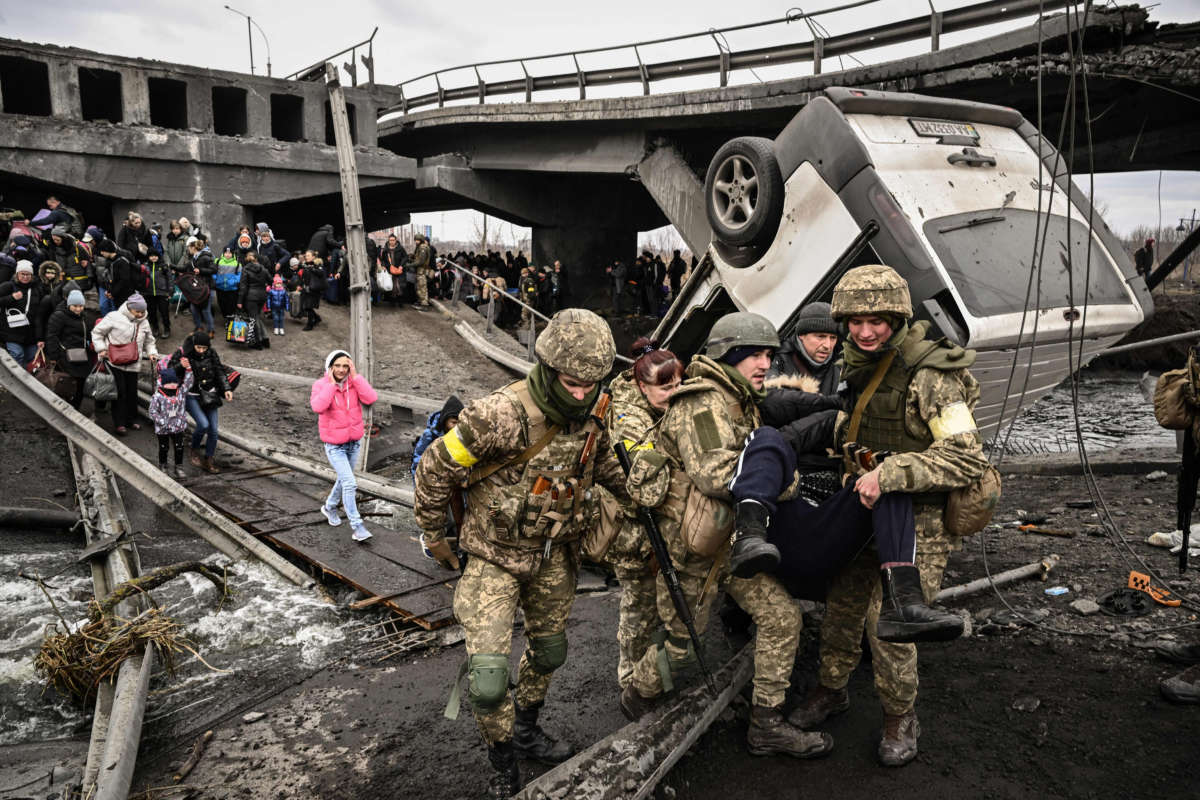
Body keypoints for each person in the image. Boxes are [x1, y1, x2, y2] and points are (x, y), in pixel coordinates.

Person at [413, 308, 629, 798]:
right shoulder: (499, 415)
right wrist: (434, 534)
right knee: (488, 681)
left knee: (550, 652)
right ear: (550, 369)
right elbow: (434, 467)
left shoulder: (597, 406)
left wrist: (639, 490)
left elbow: (605, 465)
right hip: (493, 555)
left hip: (554, 554)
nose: (580, 393)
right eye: (572, 383)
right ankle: (502, 754)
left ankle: (527, 728)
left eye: (590, 384)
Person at [789, 264, 989, 767]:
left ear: (897, 316)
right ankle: (833, 688)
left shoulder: (932, 375)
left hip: (918, 519)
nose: (864, 330)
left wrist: (893, 472)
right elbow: (848, 425)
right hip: (861, 506)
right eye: (854, 321)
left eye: (876, 320)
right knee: (842, 605)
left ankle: (901, 715)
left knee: (889, 622)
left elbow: (967, 457)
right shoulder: (858, 364)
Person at [619, 312, 832, 762]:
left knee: (781, 619)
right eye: (754, 354)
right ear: (728, 355)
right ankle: (638, 694)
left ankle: (766, 724)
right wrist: (785, 477)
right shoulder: (701, 402)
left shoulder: (739, 400)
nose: (764, 363)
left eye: (770, 355)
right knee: (678, 651)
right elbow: (717, 474)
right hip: (692, 552)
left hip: (731, 542)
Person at [604, 337, 683, 697]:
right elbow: (647, 481)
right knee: (638, 606)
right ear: (641, 386)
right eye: (664, 387)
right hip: (631, 527)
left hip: (657, 521)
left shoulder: (662, 407)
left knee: (659, 604)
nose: (674, 393)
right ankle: (630, 679)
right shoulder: (626, 418)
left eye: (678, 384)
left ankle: (655, 675)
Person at [311, 350, 379, 543]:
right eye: (337, 366)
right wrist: (332, 386)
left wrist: (356, 377)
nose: (341, 370)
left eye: (345, 366)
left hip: (353, 442)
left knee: (344, 480)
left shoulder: (353, 383)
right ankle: (357, 527)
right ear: (330, 367)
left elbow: (370, 398)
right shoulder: (321, 385)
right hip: (334, 445)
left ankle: (330, 507)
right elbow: (318, 407)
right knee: (350, 483)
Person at [92, 293, 159, 435]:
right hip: (114, 362)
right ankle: (119, 423)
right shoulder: (113, 317)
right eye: (138, 311)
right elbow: (97, 333)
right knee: (120, 393)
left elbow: (149, 341)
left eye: (142, 312)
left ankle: (131, 419)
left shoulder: (144, 322)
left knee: (131, 393)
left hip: (134, 363)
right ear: (130, 308)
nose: (140, 314)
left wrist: (152, 352)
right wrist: (102, 349)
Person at [169, 330, 231, 473]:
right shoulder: (183, 353)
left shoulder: (212, 353)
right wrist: (180, 366)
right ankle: (194, 449)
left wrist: (226, 388)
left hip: (210, 394)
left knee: (214, 430)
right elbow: (169, 372)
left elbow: (219, 370)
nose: (202, 351)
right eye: (199, 348)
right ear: (194, 345)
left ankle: (209, 459)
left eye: (205, 348)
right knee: (203, 424)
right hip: (191, 394)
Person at [767, 301, 841, 395]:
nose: (827, 345)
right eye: (821, 336)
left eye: (833, 338)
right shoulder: (775, 361)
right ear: (802, 335)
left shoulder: (839, 369)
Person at [44, 288, 92, 409]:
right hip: (64, 356)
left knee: (80, 384)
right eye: (75, 306)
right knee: (66, 383)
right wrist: (54, 356)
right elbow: (52, 336)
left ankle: (75, 410)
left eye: (81, 306)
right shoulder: (59, 316)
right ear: (69, 304)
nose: (78, 309)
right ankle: (63, 409)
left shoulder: (84, 317)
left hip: (82, 356)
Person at [148, 363, 192, 478]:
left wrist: (188, 370)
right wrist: (161, 421)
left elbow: (188, 383)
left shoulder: (180, 392)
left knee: (179, 446)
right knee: (164, 447)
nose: (172, 385)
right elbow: (152, 411)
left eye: (174, 382)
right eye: (169, 383)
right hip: (163, 427)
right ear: (163, 383)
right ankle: (163, 465)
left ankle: (179, 467)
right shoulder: (158, 396)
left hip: (178, 426)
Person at [0, 260, 46, 366]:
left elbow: (39, 315)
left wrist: (40, 338)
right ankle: (14, 381)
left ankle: (27, 381)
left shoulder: (36, 289)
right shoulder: (8, 286)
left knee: (32, 359)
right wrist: (11, 298)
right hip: (11, 331)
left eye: (28, 274)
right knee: (17, 355)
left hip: (30, 333)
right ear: (17, 274)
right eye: (22, 274)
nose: (25, 277)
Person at [411, 395, 464, 479]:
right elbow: (417, 463)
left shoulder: (461, 433)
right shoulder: (430, 435)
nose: (456, 427)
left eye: (459, 423)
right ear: (444, 421)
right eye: (453, 423)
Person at [180, 237, 216, 336]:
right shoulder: (193, 259)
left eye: (188, 247)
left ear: (193, 247)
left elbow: (214, 269)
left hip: (206, 287)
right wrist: (172, 266)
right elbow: (184, 268)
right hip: (197, 289)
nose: (188, 249)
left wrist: (201, 270)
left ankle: (211, 330)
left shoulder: (206, 257)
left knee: (205, 310)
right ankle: (199, 327)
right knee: (194, 309)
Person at [236, 251, 271, 348]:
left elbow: (243, 287)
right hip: (262, 296)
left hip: (251, 297)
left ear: (247, 259)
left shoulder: (245, 270)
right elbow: (271, 281)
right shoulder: (263, 269)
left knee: (253, 318)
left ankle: (258, 342)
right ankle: (265, 339)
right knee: (257, 317)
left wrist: (239, 301)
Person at [143, 249, 174, 339]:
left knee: (164, 312)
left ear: (158, 256)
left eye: (155, 255)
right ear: (148, 257)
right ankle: (155, 328)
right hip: (149, 293)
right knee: (151, 312)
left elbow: (170, 279)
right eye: (151, 256)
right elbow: (142, 279)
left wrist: (170, 291)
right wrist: (143, 291)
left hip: (162, 293)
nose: (153, 257)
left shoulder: (163, 266)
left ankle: (167, 329)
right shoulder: (145, 266)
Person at [213, 246, 242, 319]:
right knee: (222, 304)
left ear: (233, 254)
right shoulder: (218, 261)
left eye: (230, 253)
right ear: (223, 253)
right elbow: (214, 272)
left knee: (231, 305)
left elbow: (240, 274)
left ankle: (230, 320)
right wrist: (216, 280)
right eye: (226, 253)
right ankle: (226, 317)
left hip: (232, 289)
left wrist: (234, 281)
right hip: (220, 288)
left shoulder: (237, 263)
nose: (228, 254)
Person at [300, 254, 327, 331]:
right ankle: (317, 318)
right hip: (306, 289)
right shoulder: (306, 265)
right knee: (306, 307)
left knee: (309, 307)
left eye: (308, 255)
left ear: (313, 257)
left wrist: (312, 269)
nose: (306, 257)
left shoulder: (317, 264)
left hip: (314, 289)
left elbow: (321, 273)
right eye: (306, 256)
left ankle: (310, 325)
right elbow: (303, 276)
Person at [407, 231, 432, 309]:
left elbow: (421, 261)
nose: (416, 241)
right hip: (419, 271)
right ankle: (421, 302)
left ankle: (424, 304)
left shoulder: (423, 247)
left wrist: (410, 265)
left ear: (421, 240)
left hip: (422, 271)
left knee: (422, 287)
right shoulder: (420, 247)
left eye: (417, 240)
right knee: (419, 287)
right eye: (415, 240)